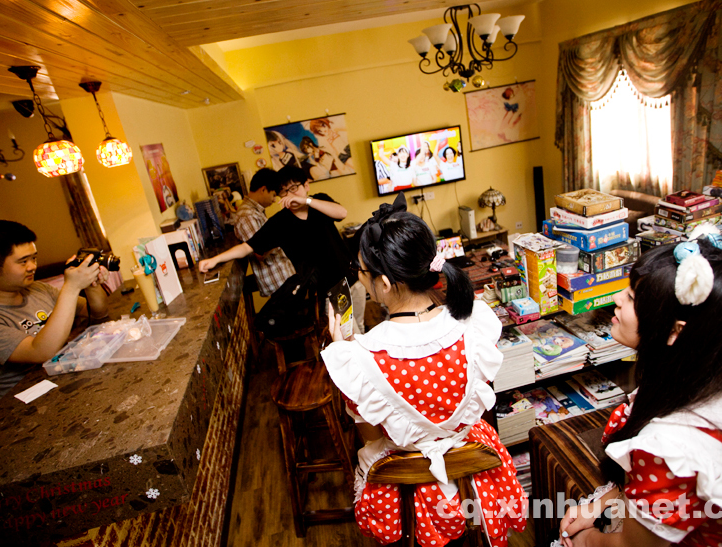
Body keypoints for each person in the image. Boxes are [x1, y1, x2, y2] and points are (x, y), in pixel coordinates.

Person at [557, 232, 722, 547]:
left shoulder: (670, 447)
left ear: (676, 331)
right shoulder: (710, 387)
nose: (618, 299)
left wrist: (584, 539)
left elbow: (632, 546)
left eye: (634, 298)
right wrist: (599, 506)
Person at [321, 193, 528, 547]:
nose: (361, 280)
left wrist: (343, 346)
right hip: (475, 469)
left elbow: (372, 436)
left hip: (407, 491)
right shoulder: (472, 323)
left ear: (383, 284)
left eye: (362, 273)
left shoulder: (360, 358)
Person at [0, 221, 109, 400]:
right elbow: (41, 351)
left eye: (33, 258)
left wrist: (91, 284)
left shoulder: (38, 289)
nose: (32, 266)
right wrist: (71, 287)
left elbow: (98, 313)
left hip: (72, 381)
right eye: (23, 261)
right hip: (32, 408)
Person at [199, 165, 366, 333]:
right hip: (332, 290)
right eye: (284, 191)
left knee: (361, 328)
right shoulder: (280, 222)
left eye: (293, 188)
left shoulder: (319, 201)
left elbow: (341, 213)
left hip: (353, 277)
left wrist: (306, 201)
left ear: (306, 186)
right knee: (351, 338)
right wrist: (215, 259)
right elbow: (247, 247)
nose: (289, 195)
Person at [233, 168, 296, 297]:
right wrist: (283, 235)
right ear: (263, 189)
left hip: (284, 274)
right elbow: (259, 253)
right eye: (273, 195)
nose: (274, 200)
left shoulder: (256, 212)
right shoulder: (247, 216)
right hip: (278, 280)